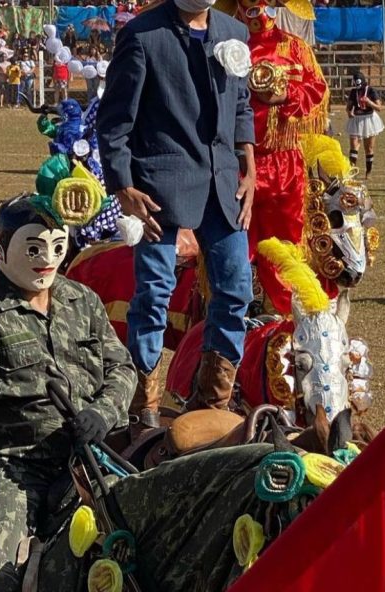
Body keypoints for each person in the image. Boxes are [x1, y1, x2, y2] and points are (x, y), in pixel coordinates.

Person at [0, 195, 136, 590]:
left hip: (88, 461)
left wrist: (102, 412)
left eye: (56, 247)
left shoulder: (82, 300)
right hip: (11, 469)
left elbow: (121, 367)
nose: (45, 259)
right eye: (33, 248)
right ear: (0, 250)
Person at [97, 0, 256, 438]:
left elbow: (241, 105)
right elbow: (114, 121)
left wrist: (251, 168)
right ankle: (142, 406)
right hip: (159, 189)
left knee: (236, 290)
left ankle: (211, 404)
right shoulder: (143, 34)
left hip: (224, 187)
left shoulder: (234, 32)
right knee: (153, 294)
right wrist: (123, 186)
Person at [225, 0, 328, 314]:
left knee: (286, 244)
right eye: (254, 10)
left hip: (286, 164)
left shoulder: (295, 48)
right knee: (233, 244)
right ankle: (229, 318)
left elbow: (317, 89)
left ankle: (282, 320)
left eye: (268, 9)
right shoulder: (228, 48)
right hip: (238, 161)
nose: (262, 18)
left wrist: (284, 96)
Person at [346, 72, 384, 179]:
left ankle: (368, 172)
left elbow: (379, 108)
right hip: (356, 120)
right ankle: (352, 172)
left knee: (369, 148)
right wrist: (349, 113)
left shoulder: (371, 90)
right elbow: (348, 108)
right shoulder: (354, 92)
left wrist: (369, 102)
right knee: (354, 147)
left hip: (369, 120)